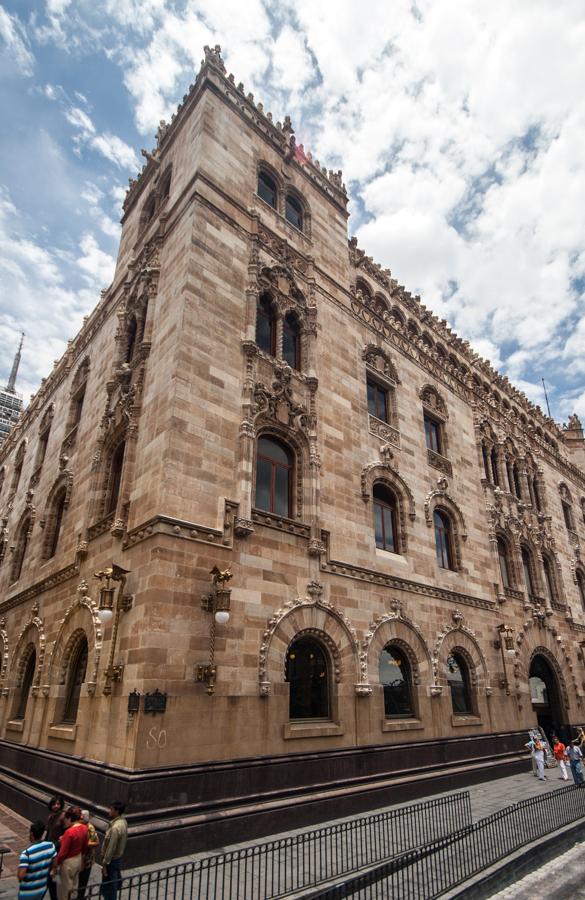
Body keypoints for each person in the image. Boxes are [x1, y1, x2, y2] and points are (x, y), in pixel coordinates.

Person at [51, 805, 89, 900]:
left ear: (70, 818)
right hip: (78, 858)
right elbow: (85, 847)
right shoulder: (84, 828)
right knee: (73, 886)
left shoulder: (69, 832)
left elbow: (63, 852)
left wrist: (55, 867)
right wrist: (82, 861)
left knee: (64, 889)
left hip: (68, 862)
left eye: (66, 819)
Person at [17, 820, 56, 900]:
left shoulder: (27, 853)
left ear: (31, 834)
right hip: (42, 888)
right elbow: (55, 861)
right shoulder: (50, 845)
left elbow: (21, 876)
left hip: (27, 892)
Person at [101, 801, 128, 900]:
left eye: (111, 809)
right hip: (117, 859)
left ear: (116, 811)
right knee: (113, 884)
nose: (109, 811)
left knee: (109, 888)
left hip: (111, 861)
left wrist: (104, 863)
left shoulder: (116, 828)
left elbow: (111, 847)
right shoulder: (123, 821)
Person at [45, 796, 65, 900]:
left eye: (58, 804)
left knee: (54, 875)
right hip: (50, 848)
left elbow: (65, 835)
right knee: (50, 876)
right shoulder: (51, 816)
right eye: (54, 804)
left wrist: (56, 844)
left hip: (57, 849)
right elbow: (48, 832)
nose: (56, 806)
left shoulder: (63, 817)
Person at [77, 810, 100, 900]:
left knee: (83, 880)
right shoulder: (78, 826)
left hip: (87, 859)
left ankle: (80, 896)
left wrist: (84, 843)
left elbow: (96, 842)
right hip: (78, 858)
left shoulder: (90, 828)